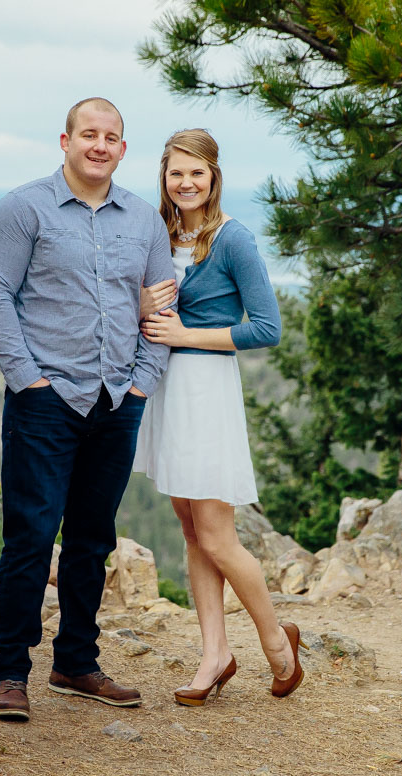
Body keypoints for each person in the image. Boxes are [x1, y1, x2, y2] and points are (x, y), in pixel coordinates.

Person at [0, 97, 173, 722]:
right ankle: (9, 671)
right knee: (30, 536)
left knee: (92, 538)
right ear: (65, 140)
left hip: (117, 399)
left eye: (111, 137)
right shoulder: (23, 207)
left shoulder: (144, 220)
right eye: (89, 134)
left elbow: (160, 309)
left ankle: (76, 663)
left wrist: (143, 382)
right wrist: (26, 379)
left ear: (121, 148)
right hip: (46, 400)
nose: (100, 145)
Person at [133, 128, 305, 706]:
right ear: (163, 176)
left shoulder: (233, 240)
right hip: (165, 392)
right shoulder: (158, 236)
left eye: (196, 173)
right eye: (175, 172)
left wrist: (185, 334)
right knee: (190, 531)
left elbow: (267, 327)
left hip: (207, 390)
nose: (185, 182)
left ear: (213, 178)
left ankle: (277, 643)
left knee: (217, 534)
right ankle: (215, 654)